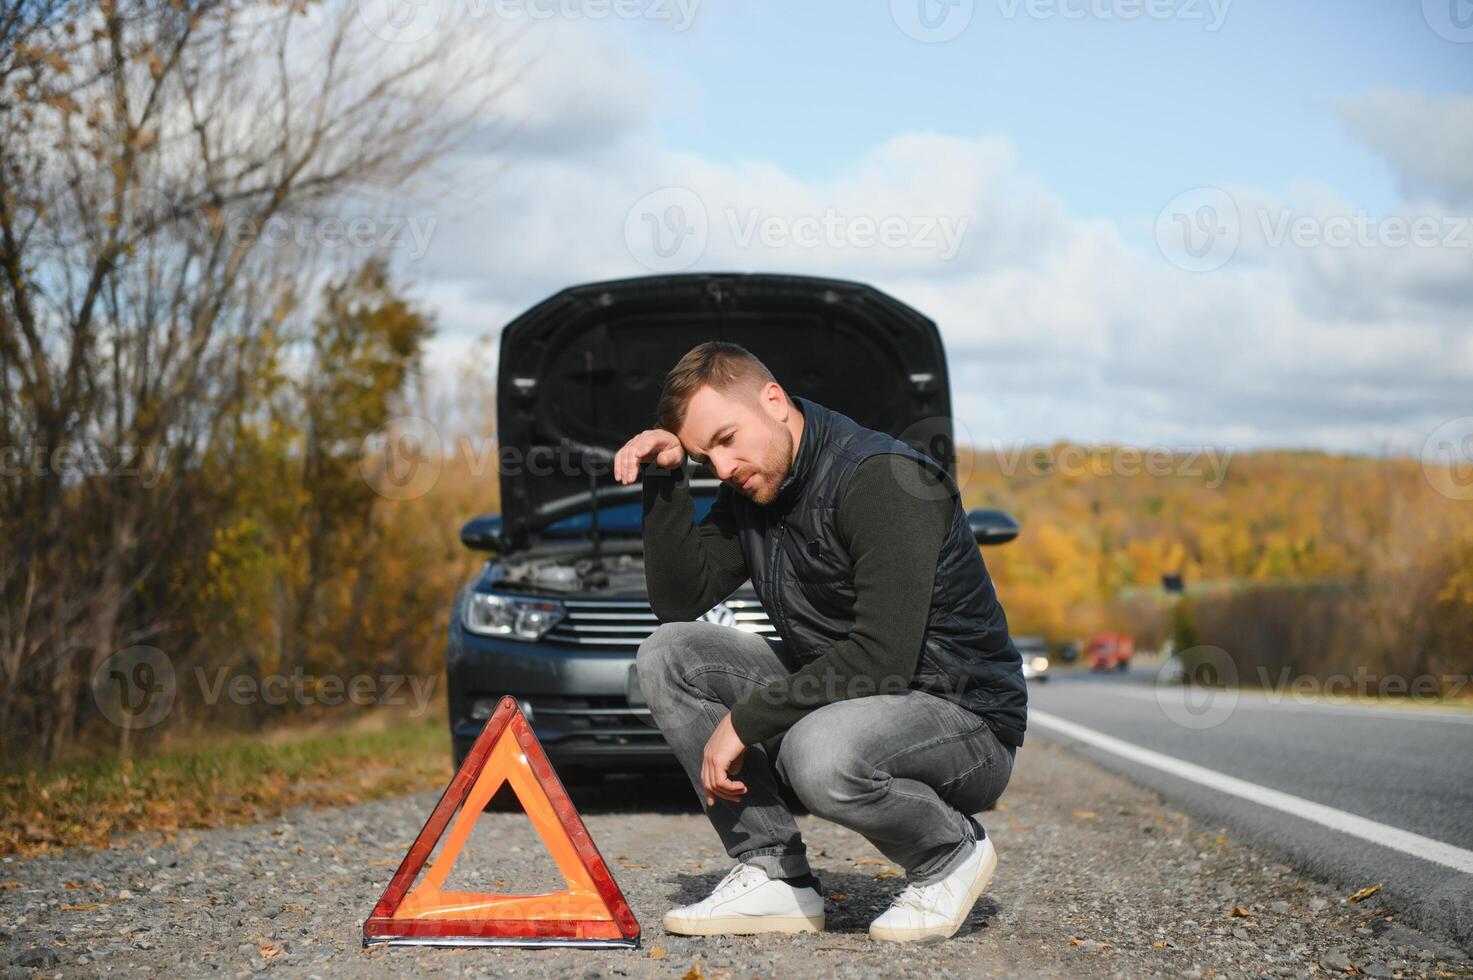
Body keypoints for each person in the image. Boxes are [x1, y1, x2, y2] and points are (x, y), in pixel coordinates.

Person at [612, 341, 1027, 944]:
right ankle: (771, 871)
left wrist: (745, 721)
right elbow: (679, 601)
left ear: (774, 401)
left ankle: (948, 854)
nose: (722, 467)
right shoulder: (755, 490)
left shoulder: (884, 479)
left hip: (964, 721)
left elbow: (883, 659)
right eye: (707, 457)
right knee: (671, 654)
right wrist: (665, 479)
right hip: (854, 701)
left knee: (818, 750)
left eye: (727, 439)